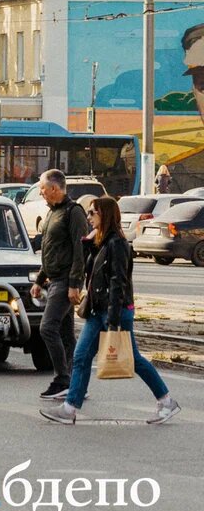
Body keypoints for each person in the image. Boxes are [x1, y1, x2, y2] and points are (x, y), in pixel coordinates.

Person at [41, 196, 181, 425]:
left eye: (92, 213)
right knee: (81, 356)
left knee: (132, 359)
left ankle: (166, 401)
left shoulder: (117, 244)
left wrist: (114, 322)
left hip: (114, 311)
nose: (88, 217)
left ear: (104, 215)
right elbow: (93, 272)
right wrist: (88, 245)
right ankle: (70, 408)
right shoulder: (101, 242)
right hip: (98, 310)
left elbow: (118, 282)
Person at [30, 169, 88, 401]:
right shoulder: (52, 213)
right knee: (65, 334)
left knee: (47, 328)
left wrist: (75, 284)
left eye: (42, 188)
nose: (41, 193)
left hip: (66, 282)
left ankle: (62, 379)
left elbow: (80, 251)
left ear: (54, 188)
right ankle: (76, 382)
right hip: (54, 280)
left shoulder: (73, 213)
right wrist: (40, 280)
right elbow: (51, 250)